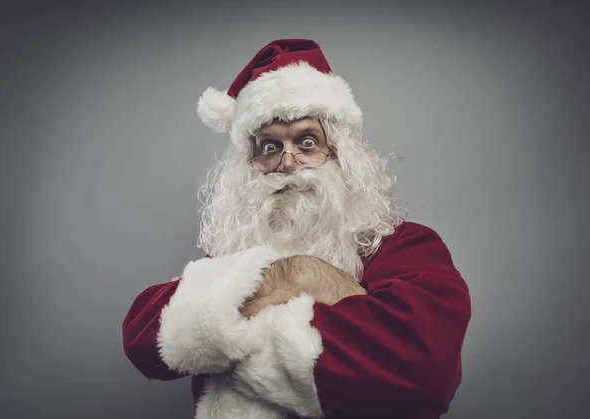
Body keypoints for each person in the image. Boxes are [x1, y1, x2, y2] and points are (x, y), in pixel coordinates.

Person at [122, 39, 471, 419]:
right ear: (250, 165)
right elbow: (143, 337)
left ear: (340, 155)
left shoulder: (406, 246)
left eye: (307, 142)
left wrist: (303, 276)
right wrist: (286, 278)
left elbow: (423, 368)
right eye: (269, 147)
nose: (288, 164)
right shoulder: (234, 253)